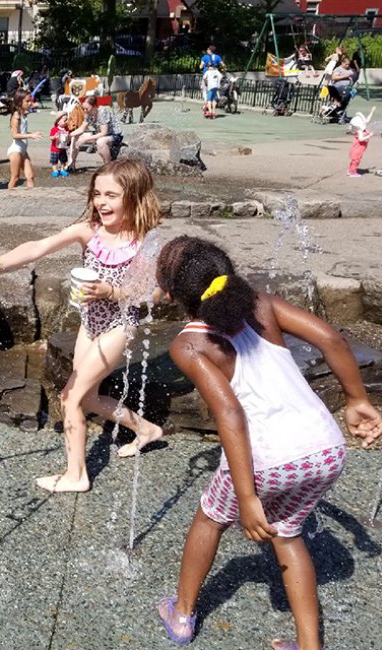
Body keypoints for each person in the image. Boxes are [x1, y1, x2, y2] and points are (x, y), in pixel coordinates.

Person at [154, 236, 381, 650]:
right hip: (326, 448)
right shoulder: (262, 304)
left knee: (210, 518)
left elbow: (231, 416)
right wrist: (357, 400)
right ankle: (309, 646)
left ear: (170, 295)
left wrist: (248, 496)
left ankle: (182, 613)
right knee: (288, 535)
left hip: (269, 459)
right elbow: (331, 338)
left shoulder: (188, 344)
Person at [0, 159, 165, 492]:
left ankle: (76, 475)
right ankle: (147, 429)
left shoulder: (144, 243)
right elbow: (39, 247)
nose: (101, 202)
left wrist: (112, 291)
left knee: (70, 397)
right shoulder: (89, 232)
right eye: (97, 193)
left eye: (111, 195)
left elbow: (156, 294)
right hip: (89, 325)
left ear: (135, 196)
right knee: (89, 398)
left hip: (119, 325)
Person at [67, 95, 124, 170]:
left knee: (100, 142)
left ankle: (108, 166)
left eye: (87, 108)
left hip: (114, 135)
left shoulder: (103, 111)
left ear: (94, 106)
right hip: (100, 135)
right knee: (76, 136)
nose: (85, 111)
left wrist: (85, 139)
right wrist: (69, 135)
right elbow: (81, 129)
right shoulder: (88, 113)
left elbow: (104, 132)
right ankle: (72, 164)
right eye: (83, 109)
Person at [6, 90, 43, 190]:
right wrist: (31, 135)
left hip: (22, 149)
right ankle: (7, 197)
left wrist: (32, 133)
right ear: (19, 102)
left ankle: (30, 198)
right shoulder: (16, 115)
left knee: (30, 176)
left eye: (30, 100)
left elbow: (22, 131)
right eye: (27, 101)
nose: (30, 103)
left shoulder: (24, 114)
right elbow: (14, 135)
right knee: (15, 177)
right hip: (16, 150)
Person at [347, 111, 373, 177]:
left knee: (354, 161)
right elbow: (360, 139)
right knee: (356, 161)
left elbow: (367, 120)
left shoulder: (361, 129)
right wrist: (369, 135)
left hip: (360, 149)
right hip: (358, 149)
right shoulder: (359, 131)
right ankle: (352, 172)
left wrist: (372, 111)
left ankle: (350, 170)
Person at [49, 111, 71, 178]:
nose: (66, 121)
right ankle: (55, 171)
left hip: (63, 148)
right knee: (54, 161)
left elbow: (68, 140)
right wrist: (54, 137)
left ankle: (62, 169)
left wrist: (68, 136)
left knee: (63, 160)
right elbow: (50, 137)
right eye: (65, 120)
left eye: (67, 120)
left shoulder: (66, 129)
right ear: (58, 122)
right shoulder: (54, 129)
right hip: (55, 149)